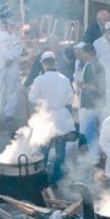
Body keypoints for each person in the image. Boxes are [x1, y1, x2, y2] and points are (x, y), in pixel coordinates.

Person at [28, 51, 76, 183]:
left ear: (43, 64)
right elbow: (70, 99)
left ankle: (41, 177)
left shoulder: (39, 80)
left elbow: (31, 98)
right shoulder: (64, 79)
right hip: (61, 118)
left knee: (43, 149)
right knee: (60, 151)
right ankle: (57, 178)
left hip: (46, 117)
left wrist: (42, 101)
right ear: (54, 62)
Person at [76, 43, 105, 150]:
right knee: (91, 132)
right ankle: (94, 155)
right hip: (91, 104)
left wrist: (83, 85)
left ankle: (94, 156)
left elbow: (98, 87)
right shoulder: (90, 65)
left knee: (91, 132)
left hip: (92, 105)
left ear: (88, 53)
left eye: (84, 53)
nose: (82, 55)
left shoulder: (96, 66)